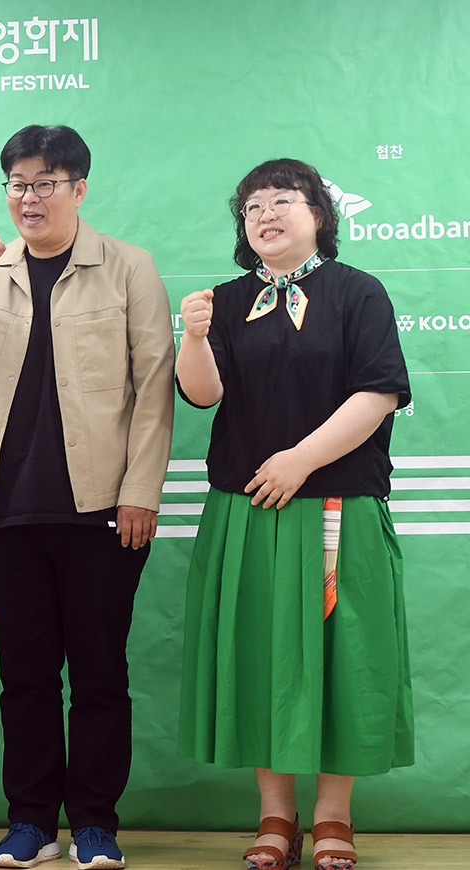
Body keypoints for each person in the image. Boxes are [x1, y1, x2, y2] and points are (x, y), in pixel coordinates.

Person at [0, 125, 174, 870]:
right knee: (25, 678)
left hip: (102, 507)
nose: (29, 198)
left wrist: (140, 492)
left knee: (100, 675)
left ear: (78, 189)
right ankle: (31, 821)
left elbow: (154, 389)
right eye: (18, 184)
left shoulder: (129, 267)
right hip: (7, 506)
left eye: (44, 183)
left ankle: (95, 821)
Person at [176, 158, 412, 870]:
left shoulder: (357, 292)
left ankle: (334, 816)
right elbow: (203, 395)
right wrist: (193, 337)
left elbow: (378, 393)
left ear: (319, 216)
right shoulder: (224, 300)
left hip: (338, 503)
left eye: (283, 200)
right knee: (260, 655)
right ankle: (275, 816)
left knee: (341, 657)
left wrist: (301, 459)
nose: (266, 214)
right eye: (252, 207)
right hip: (247, 509)